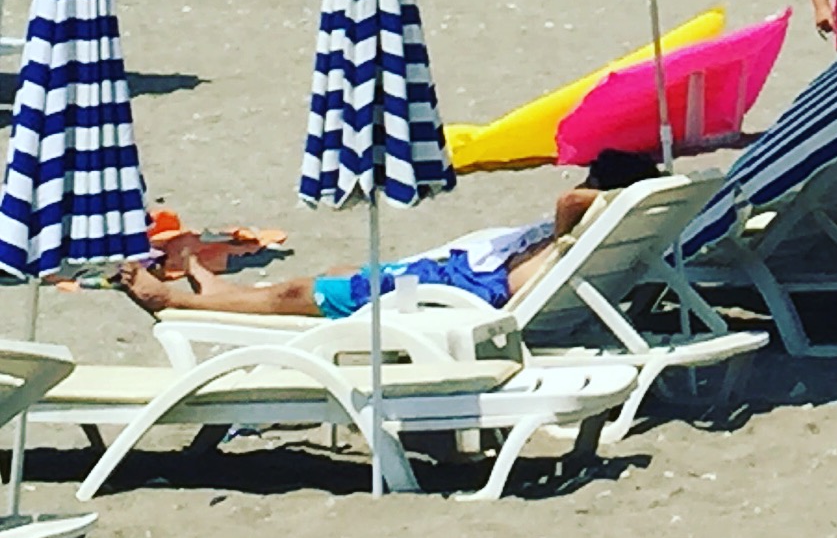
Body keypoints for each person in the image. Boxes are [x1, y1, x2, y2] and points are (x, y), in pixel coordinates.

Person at [118, 155, 660, 321]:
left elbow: (568, 202)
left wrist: (598, 197)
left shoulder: (579, 226)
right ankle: (219, 295)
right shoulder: (608, 236)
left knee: (303, 292)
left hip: (451, 297)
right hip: (450, 280)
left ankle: (176, 301)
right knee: (324, 281)